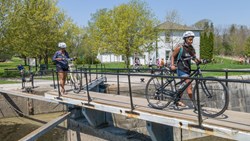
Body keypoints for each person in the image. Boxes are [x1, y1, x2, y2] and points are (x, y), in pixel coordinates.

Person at [170, 31, 200, 107]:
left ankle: (177, 100)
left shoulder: (191, 49)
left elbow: (194, 58)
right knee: (188, 85)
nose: (191, 41)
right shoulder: (180, 47)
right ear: (185, 39)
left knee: (182, 87)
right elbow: (173, 56)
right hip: (180, 69)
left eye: (192, 39)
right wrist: (172, 65)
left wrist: (200, 61)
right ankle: (195, 104)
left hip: (187, 70)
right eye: (190, 39)